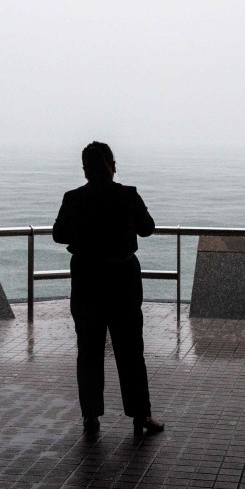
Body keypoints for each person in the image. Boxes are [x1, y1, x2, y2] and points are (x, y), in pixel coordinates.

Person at [52, 141, 165, 436]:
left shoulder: (73, 198)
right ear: (112, 165)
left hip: (87, 279)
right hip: (122, 280)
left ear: (85, 169)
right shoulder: (128, 196)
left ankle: (91, 416)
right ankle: (141, 414)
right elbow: (148, 228)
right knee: (130, 351)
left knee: (89, 352)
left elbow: (58, 234)